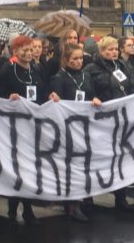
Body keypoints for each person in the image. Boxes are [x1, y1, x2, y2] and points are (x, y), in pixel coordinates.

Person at [84, 36, 134, 208]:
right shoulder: (91, 69)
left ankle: (120, 197)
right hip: (102, 121)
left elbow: (132, 86)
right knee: (97, 159)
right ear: (101, 51)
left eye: (116, 49)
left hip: (121, 119)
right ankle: (89, 198)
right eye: (110, 49)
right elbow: (87, 91)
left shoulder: (122, 66)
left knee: (120, 158)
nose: (114, 52)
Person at [0, 36, 45, 226]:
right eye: (23, 50)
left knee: (30, 168)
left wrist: (51, 96)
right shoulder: (8, 70)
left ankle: (26, 207)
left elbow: (42, 91)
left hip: (32, 125)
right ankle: (15, 205)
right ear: (15, 52)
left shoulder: (37, 69)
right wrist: (9, 97)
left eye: (30, 49)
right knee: (18, 168)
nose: (28, 53)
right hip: (14, 125)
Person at [50, 44, 101, 222]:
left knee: (84, 163)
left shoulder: (86, 75)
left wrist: (94, 99)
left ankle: (85, 197)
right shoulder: (59, 78)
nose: (79, 62)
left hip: (84, 126)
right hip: (68, 129)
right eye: (74, 59)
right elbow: (58, 104)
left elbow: (92, 94)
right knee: (71, 166)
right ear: (66, 60)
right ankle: (72, 204)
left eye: (80, 58)